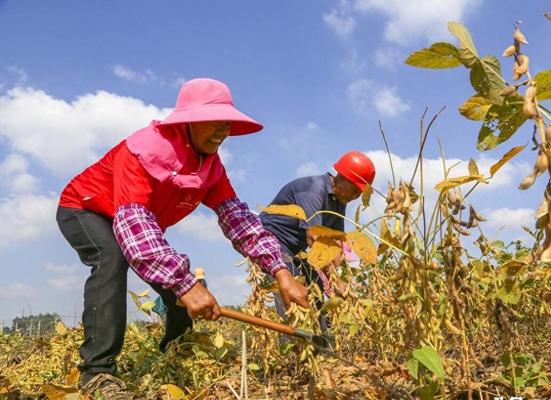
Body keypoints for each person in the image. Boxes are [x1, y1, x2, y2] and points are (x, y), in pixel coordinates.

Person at [56, 78, 309, 398]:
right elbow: (134, 222)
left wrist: (281, 271)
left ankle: (176, 351)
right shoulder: (141, 151)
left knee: (175, 281)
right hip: (86, 209)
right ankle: (97, 372)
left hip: (136, 224)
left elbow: (240, 221)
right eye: (215, 123)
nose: (224, 132)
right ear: (189, 122)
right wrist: (186, 286)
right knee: (112, 258)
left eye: (227, 124)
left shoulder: (210, 168)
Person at [259, 152, 375, 335]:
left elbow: (335, 241)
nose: (356, 197)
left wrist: (341, 279)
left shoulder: (339, 199)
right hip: (272, 242)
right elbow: (315, 238)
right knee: (292, 290)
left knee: (318, 289)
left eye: (360, 193)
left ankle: (323, 346)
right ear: (342, 178)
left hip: (296, 250)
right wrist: (333, 279)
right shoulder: (313, 190)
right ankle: (293, 352)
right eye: (355, 190)